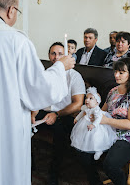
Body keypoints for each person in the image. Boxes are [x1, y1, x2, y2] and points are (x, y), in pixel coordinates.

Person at [0, 0, 75, 185]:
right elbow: (39, 89)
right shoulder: (16, 41)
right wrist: (61, 67)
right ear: (11, 11)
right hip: (7, 124)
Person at [76, 58, 130, 185]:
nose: (116, 75)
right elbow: (102, 111)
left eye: (121, 72)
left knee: (110, 165)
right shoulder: (113, 92)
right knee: (83, 153)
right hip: (110, 131)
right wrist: (91, 115)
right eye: (116, 71)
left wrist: (105, 120)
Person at [31, 42, 86, 185]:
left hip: (64, 115)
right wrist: (33, 112)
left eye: (60, 54)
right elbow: (37, 97)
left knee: (59, 132)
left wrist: (57, 114)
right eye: (53, 53)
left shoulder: (74, 76)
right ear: (49, 56)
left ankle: (53, 173)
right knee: (24, 123)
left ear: (67, 55)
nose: (56, 57)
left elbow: (78, 103)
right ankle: (29, 164)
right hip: (44, 111)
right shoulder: (46, 74)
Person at [70, 87, 117, 161]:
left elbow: (98, 118)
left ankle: (99, 150)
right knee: (84, 136)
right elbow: (82, 113)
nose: (87, 100)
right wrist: (77, 118)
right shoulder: (86, 108)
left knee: (96, 138)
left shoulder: (97, 110)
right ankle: (83, 145)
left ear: (97, 102)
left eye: (91, 98)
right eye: (86, 98)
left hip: (97, 127)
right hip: (86, 124)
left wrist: (94, 125)